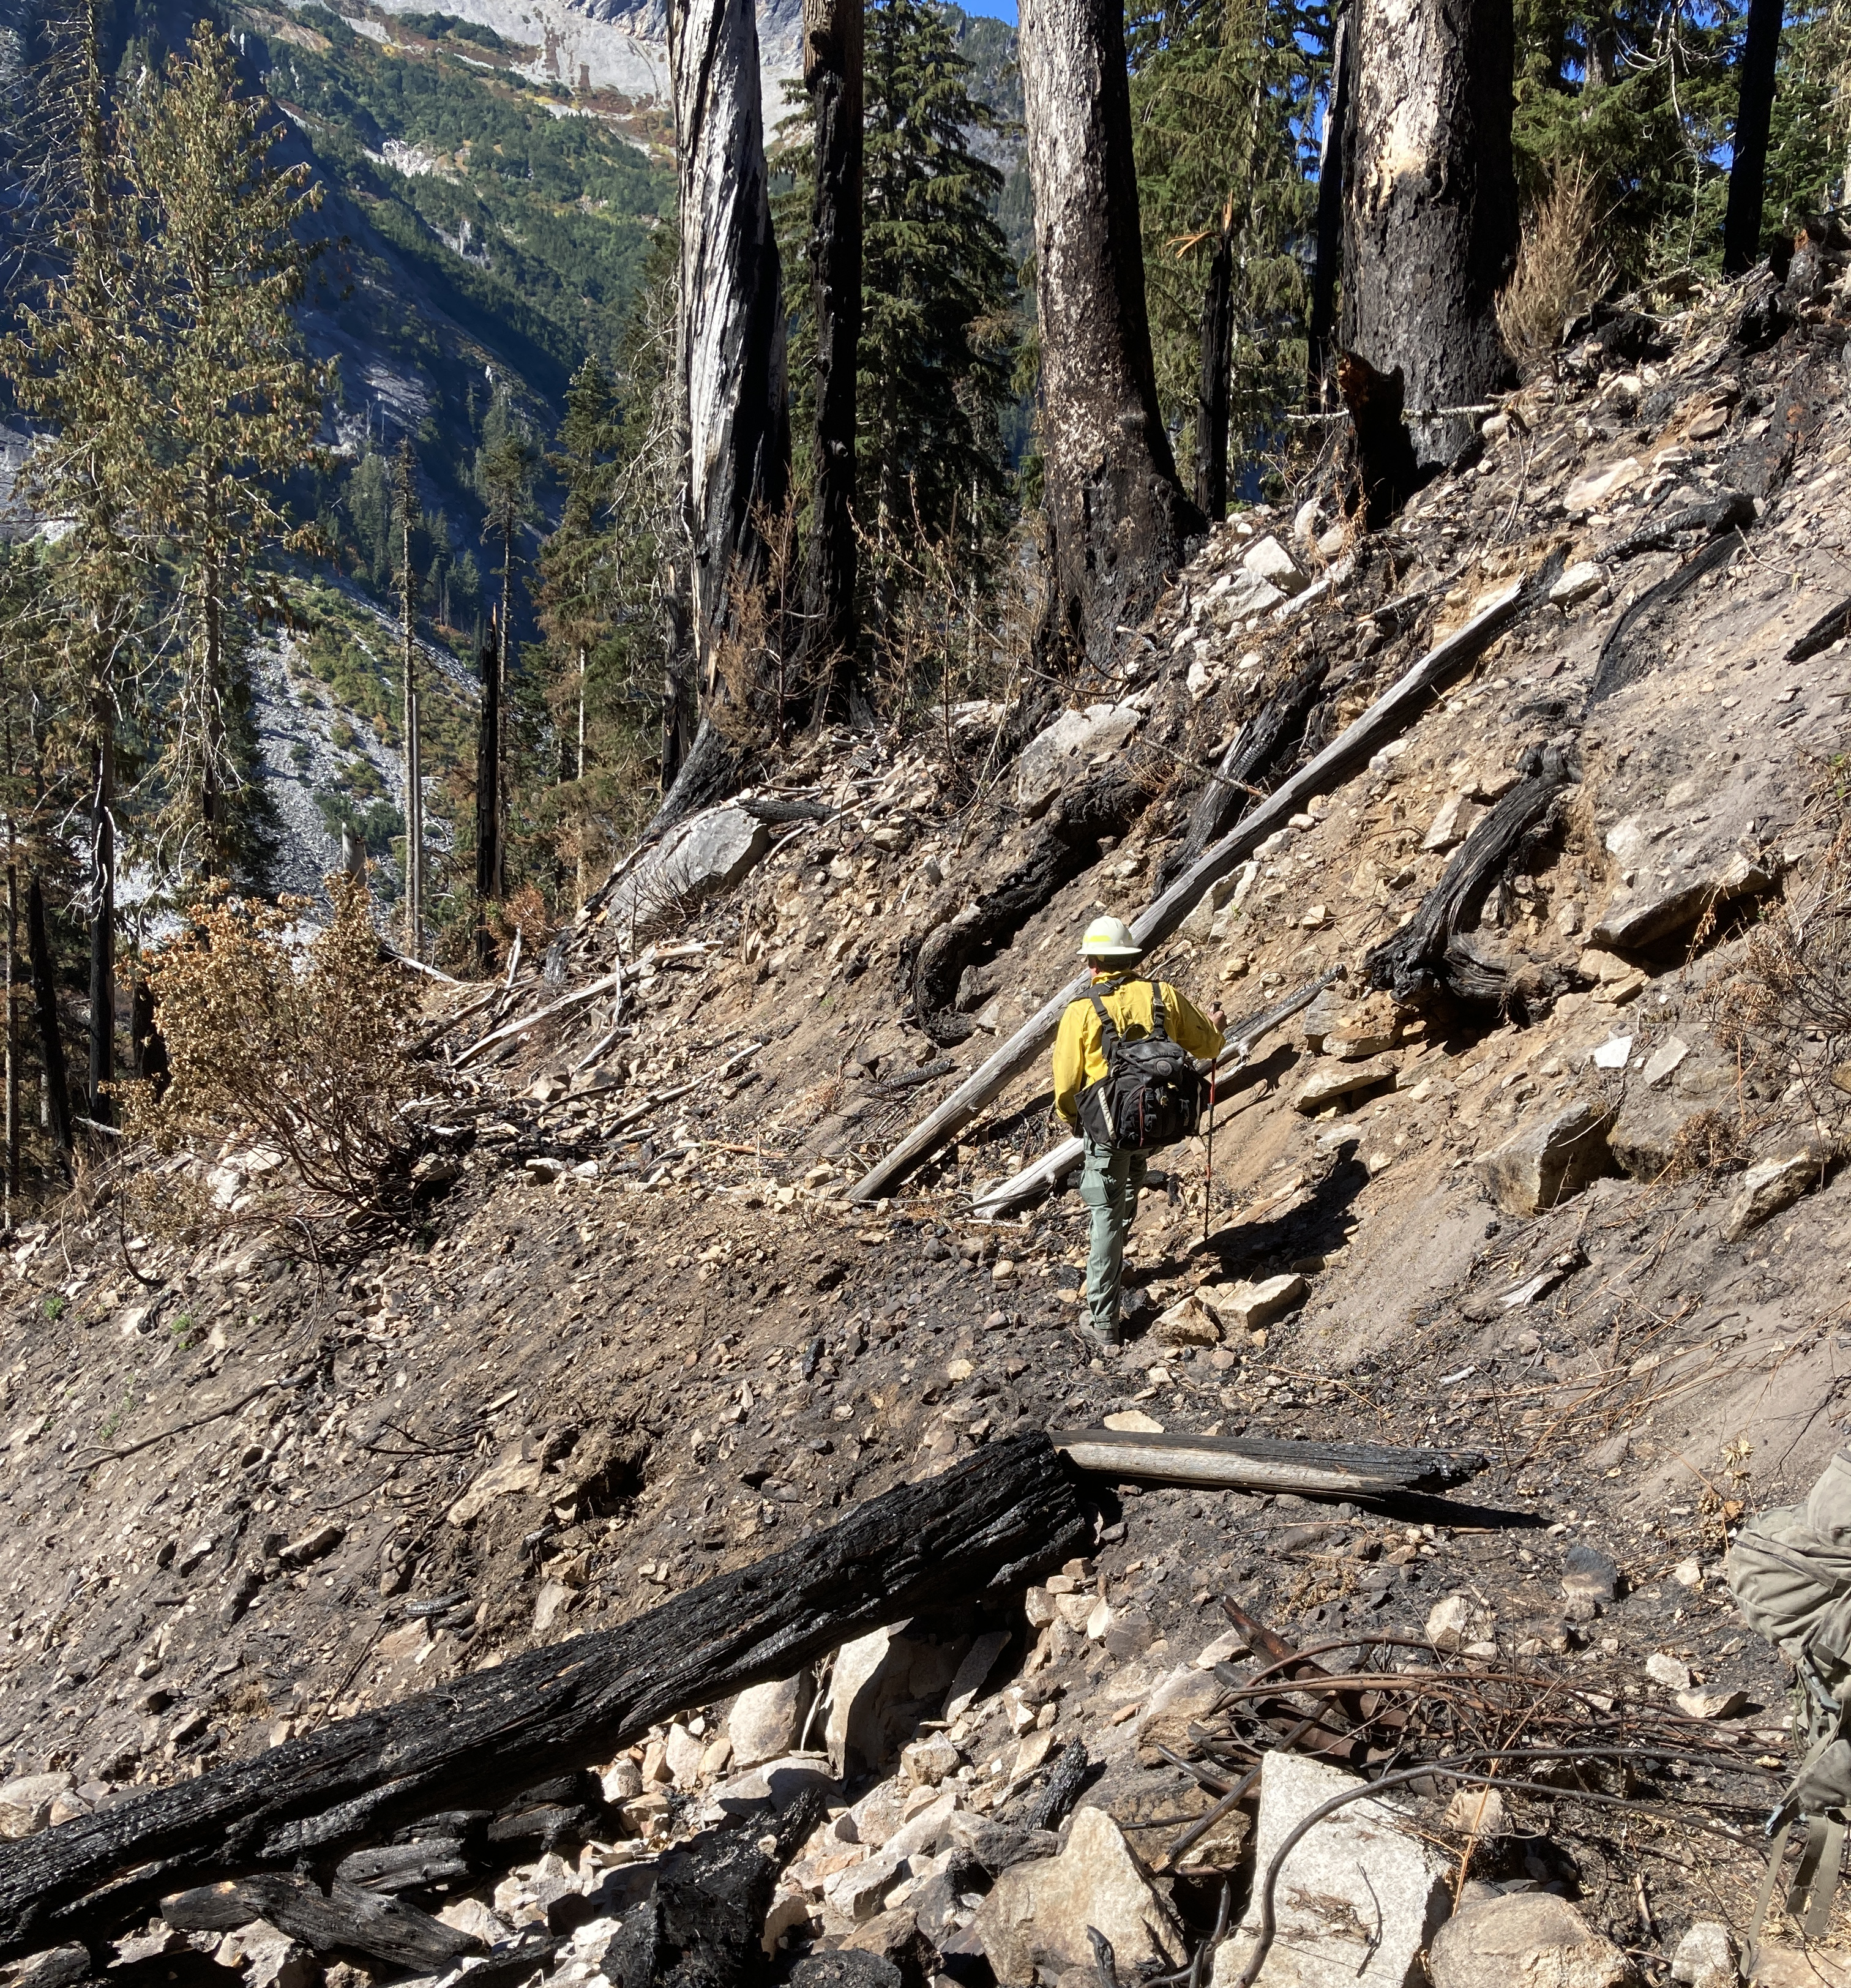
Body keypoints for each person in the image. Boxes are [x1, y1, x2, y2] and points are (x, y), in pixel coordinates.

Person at [1052, 916, 1224, 1350]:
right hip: (1152, 1123)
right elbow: (1209, 1047)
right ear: (1130, 958)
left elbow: (1066, 1084)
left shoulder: (1081, 1012)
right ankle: (1115, 1268)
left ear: (1093, 962)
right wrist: (1216, 1025)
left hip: (1108, 1129)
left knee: (1105, 1213)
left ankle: (1103, 1319)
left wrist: (1077, 1120)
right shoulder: (1161, 994)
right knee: (1126, 1190)